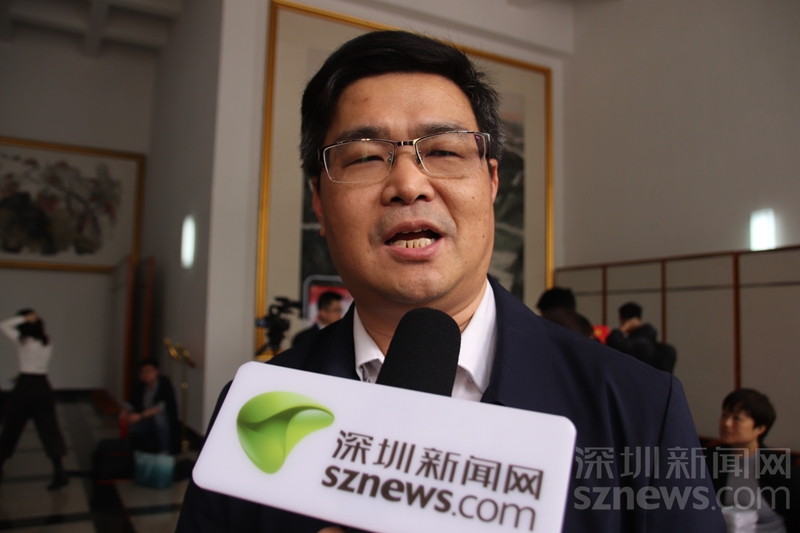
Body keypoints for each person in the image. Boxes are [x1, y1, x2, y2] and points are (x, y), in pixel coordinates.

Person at [177, 30, 724, 532]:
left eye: (442, 150)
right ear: (319, 202)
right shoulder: (257, 411)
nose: (408, 184)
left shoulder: (638, 407)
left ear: (491, 182)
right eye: (365, 157)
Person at [704, 389, 798, 532]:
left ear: (760, 428)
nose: (727, 423)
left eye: (737, 418)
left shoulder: (780, 469)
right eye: (725, 415)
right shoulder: (710, 459)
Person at [0, 309, 68, 489]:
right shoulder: (48, 341)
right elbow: (35, 366)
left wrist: (23, 317)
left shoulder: (22, 340)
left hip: (24, 388)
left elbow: (3, 325)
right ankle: (59, 471)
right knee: (50, 430)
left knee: (11, 429)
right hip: (43, 387)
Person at [120, 359, 179, 454]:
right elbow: (131, 402)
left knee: (159, 419)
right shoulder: (140, 386)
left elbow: (161, 407)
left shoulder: (164, 384)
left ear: (156, 371)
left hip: (163, 420)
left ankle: (165, 451)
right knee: (132, 429)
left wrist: (140, 416)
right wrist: (124, 411)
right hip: (145, 421)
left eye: (149, 371)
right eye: (143, 372)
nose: (146, 374)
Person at [606, 301, 677, 372]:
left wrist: (623, 328)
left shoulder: (634, 344)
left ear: (624, 320)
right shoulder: (658, 345)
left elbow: (613, 342)